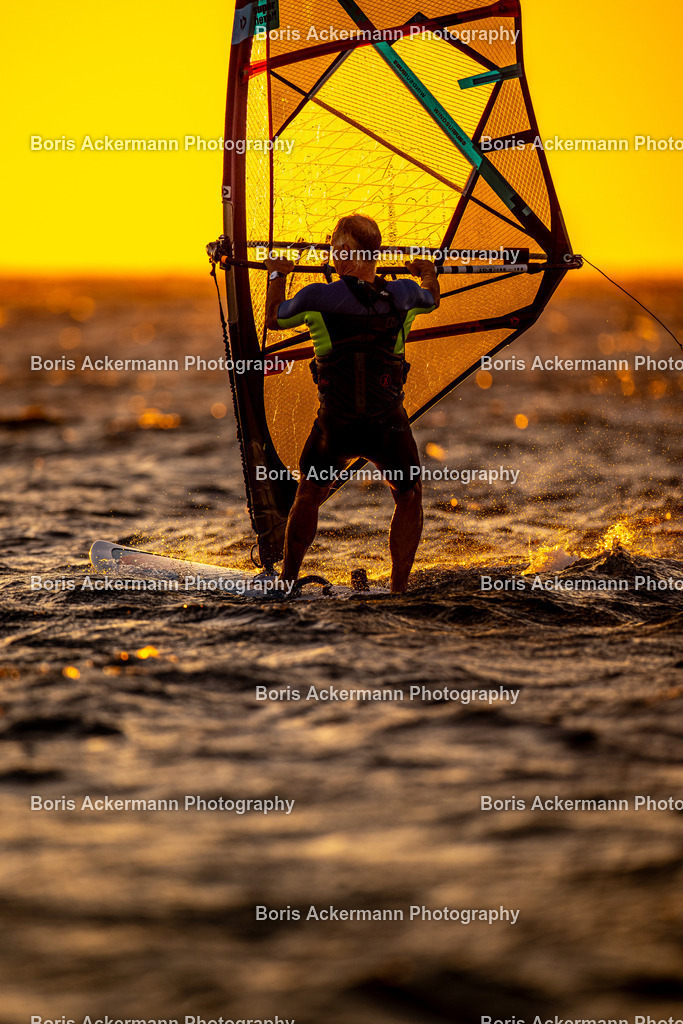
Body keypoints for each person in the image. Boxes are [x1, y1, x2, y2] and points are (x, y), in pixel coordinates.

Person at [264, 214, 439, 594]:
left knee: (309, 493)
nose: (331, 256)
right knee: (409, 496)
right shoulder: (407, 294)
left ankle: (287, 583)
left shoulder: (316, 297)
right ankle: (398, 591)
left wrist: (278, 274)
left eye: (334, 249)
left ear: (344, 253)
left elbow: (273, 319)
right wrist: (427, 270)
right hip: (386, 427)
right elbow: (432, 297)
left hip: (336, 429)